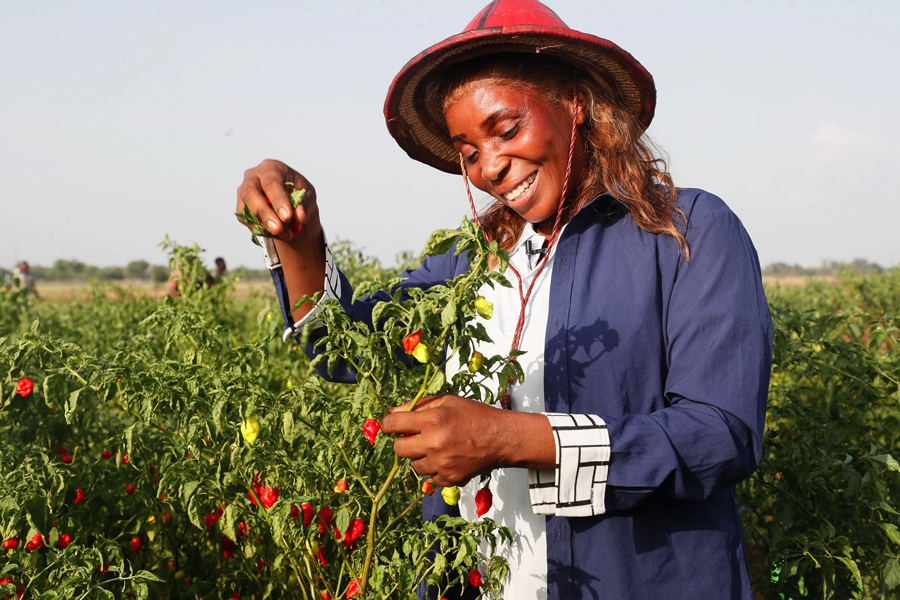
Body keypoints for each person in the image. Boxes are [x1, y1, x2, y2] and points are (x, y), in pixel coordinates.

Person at [234, 1, 773, 598]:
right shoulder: (472, 264)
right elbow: (346, 353)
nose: (489, 167)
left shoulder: (686, 232)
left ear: (574, 103)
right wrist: (298, 237)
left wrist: (507, 439)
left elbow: (720, 434)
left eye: (507, 129)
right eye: (467, 152)